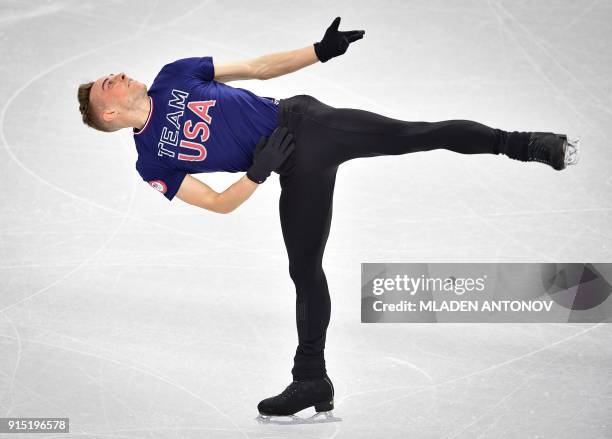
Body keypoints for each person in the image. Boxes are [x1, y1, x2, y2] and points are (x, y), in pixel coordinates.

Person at [77, 16, 580, 420]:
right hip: (289, 168)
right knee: (304, 271)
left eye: (114, 72)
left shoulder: (174, 74)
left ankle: (523, 145)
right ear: (111, 117)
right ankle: (311, 379)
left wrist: (319, 51)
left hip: (303, 124)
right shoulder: (153, 163)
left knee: (411, 134)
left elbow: (257, 67)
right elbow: (215, 203)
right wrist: (258, 172)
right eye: (108, 84)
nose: (118, 75)